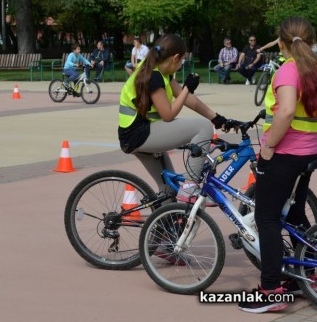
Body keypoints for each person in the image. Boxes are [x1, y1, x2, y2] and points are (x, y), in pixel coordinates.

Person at [239, 17, 317, 313]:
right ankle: (305, 274)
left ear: (281, 44)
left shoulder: (288, 69)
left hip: (286, 154)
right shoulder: (313, 68)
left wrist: (269, 146)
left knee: (267, 218)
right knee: (296, 214)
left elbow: (284, 111)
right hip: (309, 153)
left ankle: (270, 290)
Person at [118, 34, 229, 206]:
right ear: (175, 58)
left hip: (138, 133)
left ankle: (159, 231)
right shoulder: (153, 76)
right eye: (182, 60)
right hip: (139, 134)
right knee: (203, 128)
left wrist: (215, 117)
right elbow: (168, 115)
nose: (181, 64)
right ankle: (190, 187)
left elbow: (187, 98)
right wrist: (187, 88)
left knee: (168, 191)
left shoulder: (160, 71)